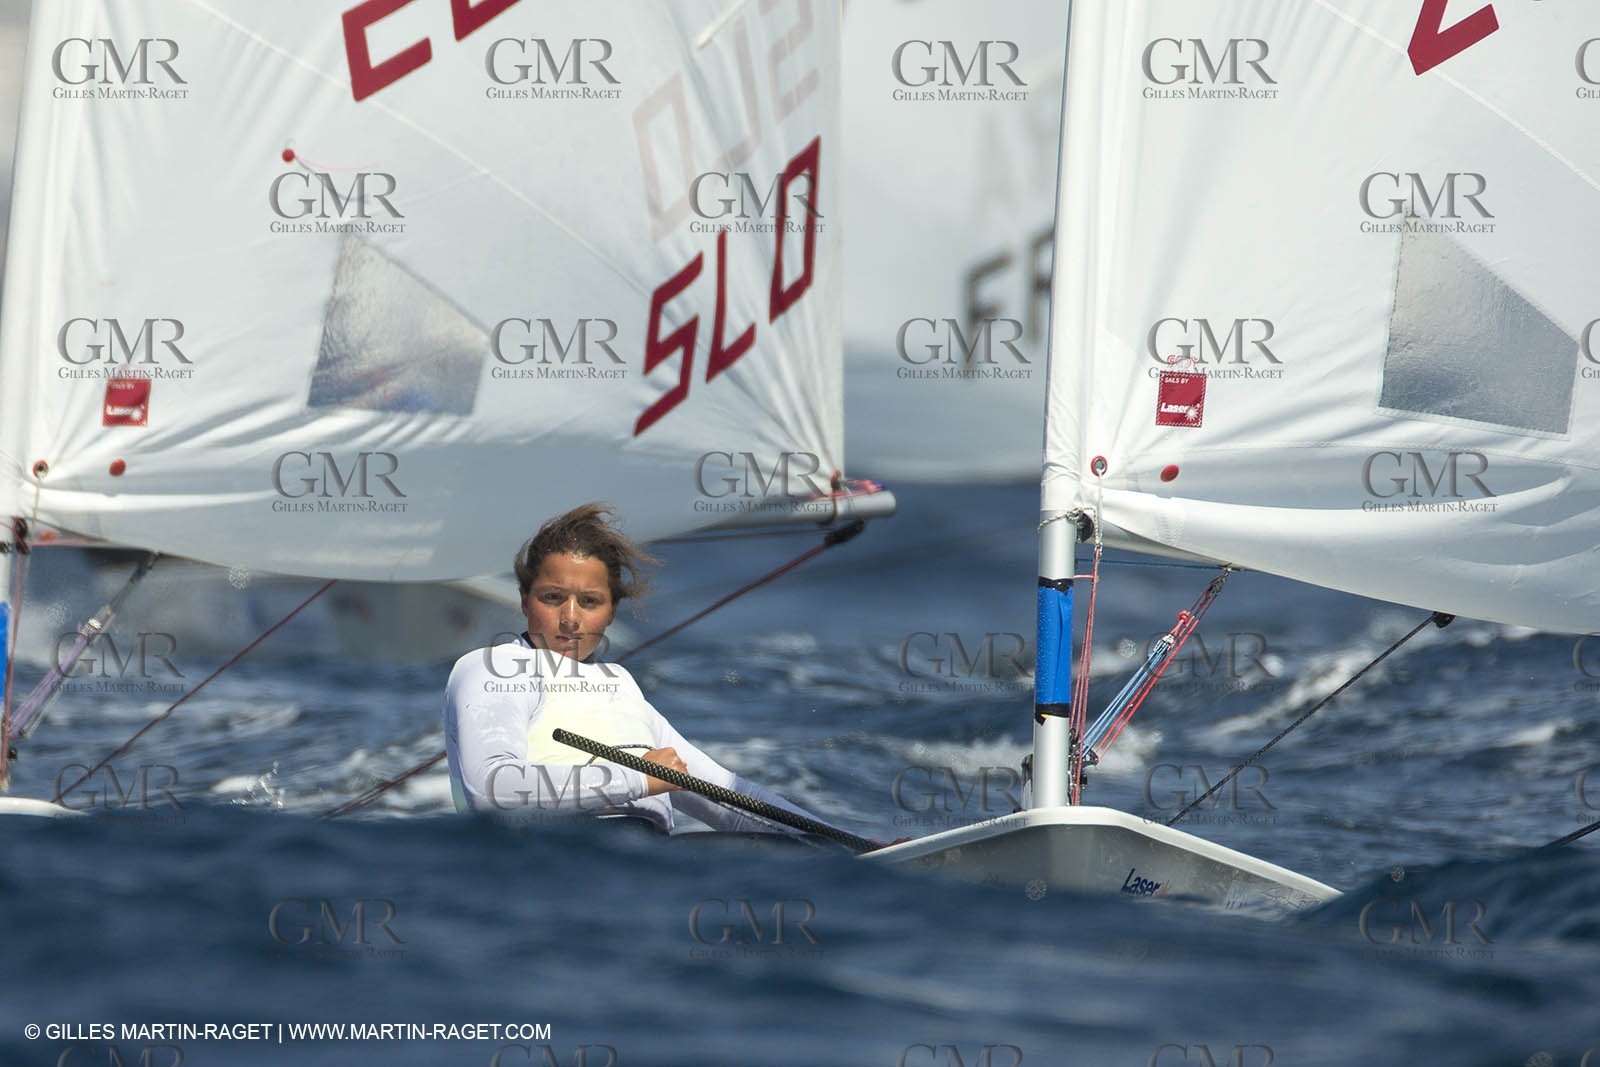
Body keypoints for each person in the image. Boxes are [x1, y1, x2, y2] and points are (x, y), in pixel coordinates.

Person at [443, 502, 820, 835]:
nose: (570, 617)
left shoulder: (620, 687)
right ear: (525, 599)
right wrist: (636, 778)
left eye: (590, 601)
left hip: (640, 865)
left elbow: (731, 799)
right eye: (553, 597)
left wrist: (835, 843)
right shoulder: (497, 668)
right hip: (548, 859)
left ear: (611, 612)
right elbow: (491, 788)